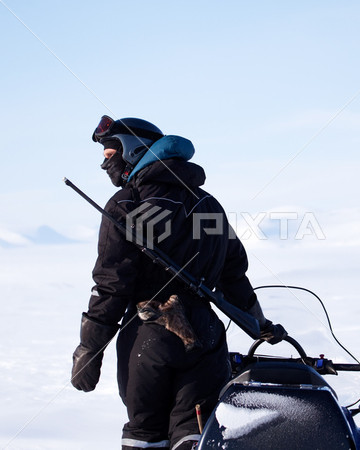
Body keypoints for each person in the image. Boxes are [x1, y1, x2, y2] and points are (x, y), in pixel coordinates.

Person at [71, 116, 287, 450]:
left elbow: (112, 285)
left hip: (148, 336)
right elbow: (234, 276)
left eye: (109, 152)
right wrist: (259, 326)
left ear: (132, 151)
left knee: (145, 435)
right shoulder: (207, 205)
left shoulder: (127, 203)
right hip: (206, 338)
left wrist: (89, 349)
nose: (104, 163)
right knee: (195, 436)